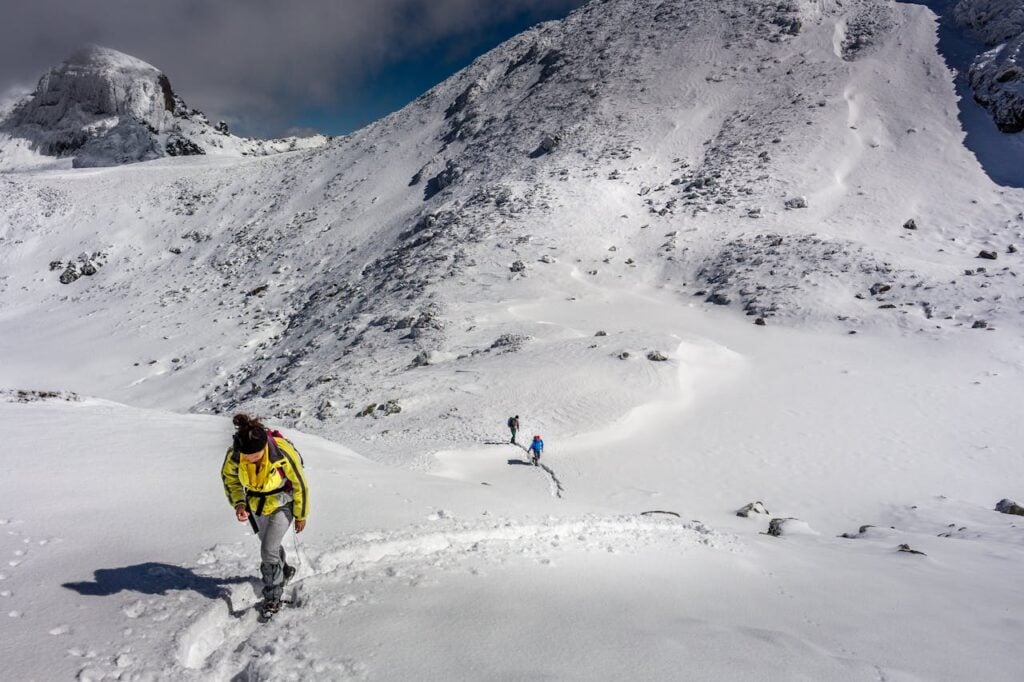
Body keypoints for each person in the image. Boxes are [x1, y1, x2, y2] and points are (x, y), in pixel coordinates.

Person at [221, 413, 309, 619]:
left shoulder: (281, 453)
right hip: (256, 505)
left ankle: (273, 596)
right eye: (247, 457)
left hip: (283, 503)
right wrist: (240, 503)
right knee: (270, 546)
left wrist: (301, 514)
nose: (251, 460)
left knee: (267, 549)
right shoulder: (235, 455)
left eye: (257, 456)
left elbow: (300, 485)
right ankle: (284, 571)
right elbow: (230, 479)